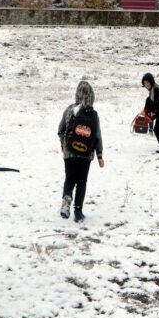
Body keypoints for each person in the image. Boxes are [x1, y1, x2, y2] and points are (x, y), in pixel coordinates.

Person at [57, 81, 104, 222]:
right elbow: (97, 135)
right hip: (86, 153)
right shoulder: (93, 114)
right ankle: (78, 211)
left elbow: (60, 130)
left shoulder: (69, 110)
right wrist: (99, 155)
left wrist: (64, 144)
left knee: (70, 178)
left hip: (70, 152)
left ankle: (66, 199)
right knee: (82, 181)